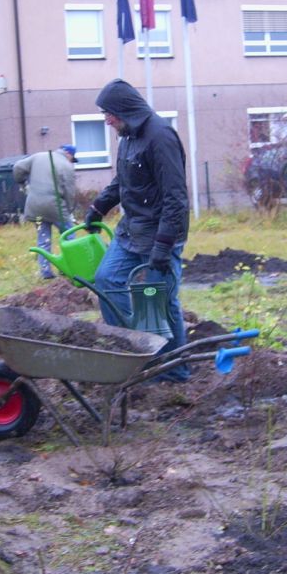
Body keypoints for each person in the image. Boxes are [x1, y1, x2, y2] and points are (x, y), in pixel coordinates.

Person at [84, 79, 191, 382]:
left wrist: (163, 246)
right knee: (107, 278)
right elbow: (123, 181)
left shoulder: (161, 136)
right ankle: (134, 349)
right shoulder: (128, 137)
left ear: (123, 109)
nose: (106, 119)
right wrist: (98, 206)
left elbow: (176, 198)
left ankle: (173, 370)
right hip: (131, 230)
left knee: (157, 300)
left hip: (160, 234)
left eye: (108, 113)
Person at [13, 145, 78, 279]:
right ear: (68, 154)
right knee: (69, 235)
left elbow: (18, 167)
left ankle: (45, 271)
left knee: (44, 238)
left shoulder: (38, 156)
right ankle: (70, 268)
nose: (72, 161)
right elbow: (70, 193)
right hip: (55, 207)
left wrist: (21, 182)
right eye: (72, 158)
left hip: (35, 205)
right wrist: (70, 210)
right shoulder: (66, 166)